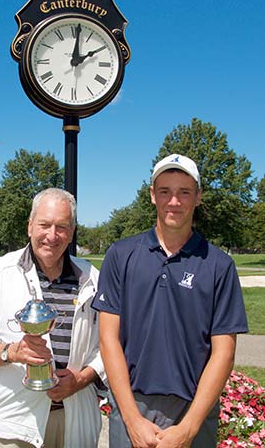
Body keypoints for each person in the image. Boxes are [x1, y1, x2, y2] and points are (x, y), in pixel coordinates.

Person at [92, 154, 248, 448]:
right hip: (132, 408)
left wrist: (188, 430)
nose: (174, 201)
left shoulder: (219, 265)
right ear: (152, 195)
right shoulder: (120, 255)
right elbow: (108, 340)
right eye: (165, 191)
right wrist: (132, 420)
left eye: (184, 192)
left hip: (194, 411)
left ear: (198, 197)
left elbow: (224, 352)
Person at [0, 187, 104, 448]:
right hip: (10, 427)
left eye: (61, 226)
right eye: (44, 224)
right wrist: (13, 352)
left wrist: (81, 379)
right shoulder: (0, 272)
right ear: (29, 227)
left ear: (71, 232)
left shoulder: (91, 278)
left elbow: (109, 344)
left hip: (73, 421)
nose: (52, 235)